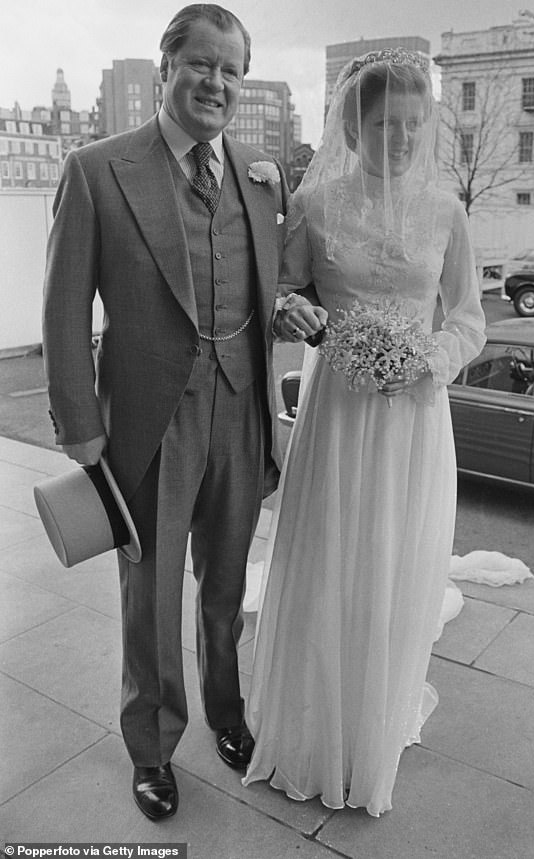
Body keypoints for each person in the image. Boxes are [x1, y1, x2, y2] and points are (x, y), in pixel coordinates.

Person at [42, 4, 290, 821]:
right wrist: (82, 430)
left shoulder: (261, 174)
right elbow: (63, 309)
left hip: (241, 418)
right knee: (150, 601)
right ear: (167, 67)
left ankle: (228, 712)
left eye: (231, 70)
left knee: (225, 590)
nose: (217, 82)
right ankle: (151, 749)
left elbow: (269, 287)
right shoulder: (96, 168)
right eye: (203, 64)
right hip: (149, 426)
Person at [242, 48, 487, 817]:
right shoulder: (316, 207)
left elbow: (470, 317)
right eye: (387, 125)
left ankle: (374, 721)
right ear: (354, 124)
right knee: (328, 559)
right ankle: (319, 719)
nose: (405, 139)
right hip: (338, 411)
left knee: (393, 563)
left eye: (416, 124)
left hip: (414, 416)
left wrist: (432, 362)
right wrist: (296, 310)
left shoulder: (447, 209)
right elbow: (279, 289)